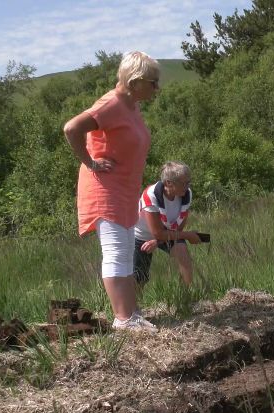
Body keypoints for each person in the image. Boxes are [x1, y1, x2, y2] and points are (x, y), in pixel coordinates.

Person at [63, 51, 161, 333]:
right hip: (104, 189)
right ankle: (124, 319)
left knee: (127, 252)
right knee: (116, 251)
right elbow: (71, 128)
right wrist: (91, 162)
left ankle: (131, 313)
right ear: (135, 81)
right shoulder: (111, 104)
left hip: (125, 190)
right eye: (153, 82)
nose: (157, 88)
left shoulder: (131, 106)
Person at [133, 161, 203, 288]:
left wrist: (158, 241)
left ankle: (186, 294)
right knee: (140, 278)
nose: (187, 186)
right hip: (142, 236)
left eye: (189, 182)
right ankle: (135, 301)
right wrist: (189, 235)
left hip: (168, 233)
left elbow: (178, 229)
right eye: (184, 183)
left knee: (183, 253)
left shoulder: (186, 194)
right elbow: (157, 233)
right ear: (169, 183)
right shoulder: (150, 195)